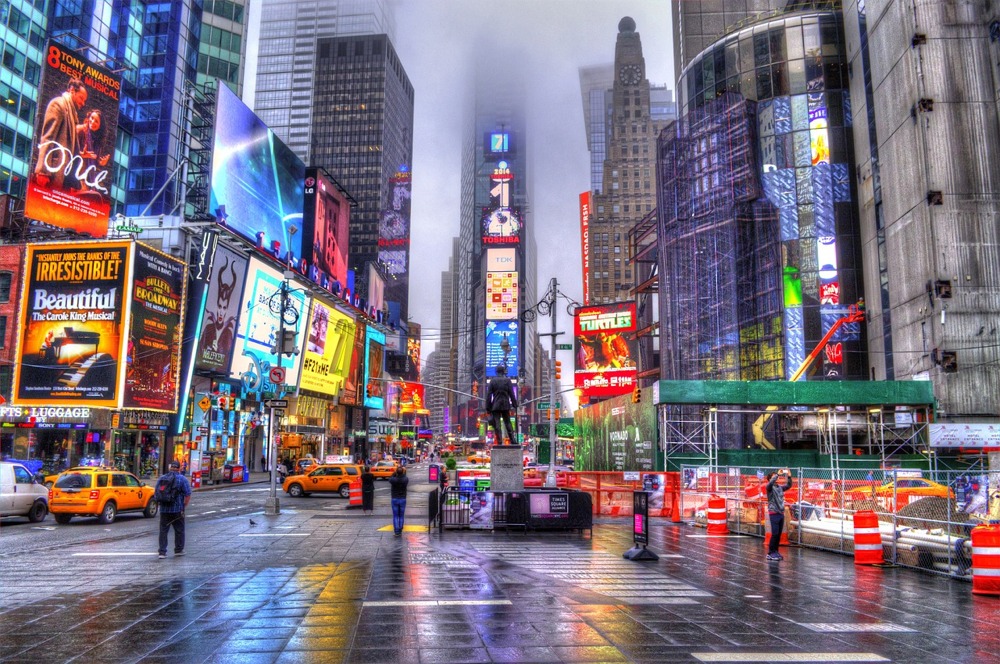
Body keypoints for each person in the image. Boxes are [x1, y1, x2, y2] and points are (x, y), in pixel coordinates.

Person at [34, 77, 88, 190]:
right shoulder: (58, 104)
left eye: (84, 100)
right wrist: (43, 171)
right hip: (52, 174)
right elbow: (48, 138)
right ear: (72, 90)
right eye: (81, 98)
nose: (83, 103)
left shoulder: (73, 114)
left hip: (64, 177)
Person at [158, 460, 192, 559]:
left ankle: (162, 552)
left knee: (163, 531)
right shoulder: (182, 479)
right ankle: (178, 550)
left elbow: (157, 494)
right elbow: (187, 494)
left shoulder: (162, 478)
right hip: (177, 509)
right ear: (179, 468)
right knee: (179, 530)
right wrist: (184, 506)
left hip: (164, 510)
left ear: (170, 468)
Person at [486, 363, 518, 445]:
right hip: (505, 405)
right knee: (508, 422)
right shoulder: (507, 380)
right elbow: (512, 394)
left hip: (495, 405)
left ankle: (499, 442)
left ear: (496, 372)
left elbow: (489, 395)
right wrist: (515, 404)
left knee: (497, 424)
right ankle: (513, 440)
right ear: (503, 372)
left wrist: (488, 407)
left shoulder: (493, 381)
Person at [765, 468, 793, 561]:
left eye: (776, 477)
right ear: (770, 479)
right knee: (775, 533)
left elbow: (788, 485)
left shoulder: (779, 488)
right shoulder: (769, 488)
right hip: (773, 513)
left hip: (780, 512)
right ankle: (770, 552)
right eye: (773, 477)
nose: (776, 479)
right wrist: (777, 474)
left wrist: (789, 476)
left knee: (778, 534)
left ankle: (775, 551)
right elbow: (770, 484)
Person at [388, 466, 409, 535]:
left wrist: (394, 473)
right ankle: (400, 528)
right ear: (403, 472)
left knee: (395, 515)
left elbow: (390, 478)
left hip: (394, 498)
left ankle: (396, 530)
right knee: (401, 515)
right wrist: (403, 472)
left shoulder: (393, 480)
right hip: (402, 498)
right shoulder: (405, 479)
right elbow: (405, 476)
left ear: (396, 472)